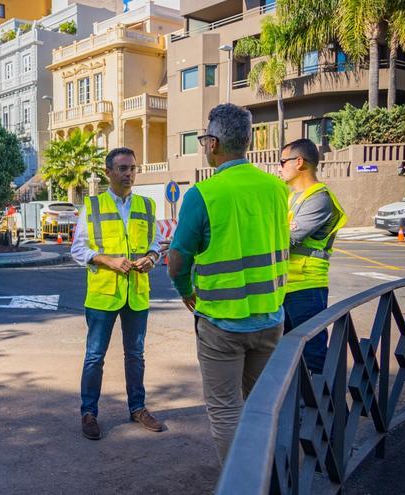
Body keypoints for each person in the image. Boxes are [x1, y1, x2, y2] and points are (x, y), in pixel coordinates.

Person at [167, 104, 290, 463]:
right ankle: (269, 474)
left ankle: (239, 483)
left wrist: (185, 292)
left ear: (214, 143)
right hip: (270, 318)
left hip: (221, 323)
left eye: (205, 138)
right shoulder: (275, 188)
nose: (204, 145)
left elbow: (177, 261)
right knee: (263, 406)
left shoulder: (203, 194)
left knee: (225, 410)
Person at [70, 147, 166, 440]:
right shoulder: (93, 206)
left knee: (135, 355)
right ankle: (89, 413)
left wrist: (151, 258)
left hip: (136, 293)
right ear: (108, 172)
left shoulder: (147, 206)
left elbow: (156, 243)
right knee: (94, 357)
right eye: (123, 168)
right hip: (103, 295)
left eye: (133, 168)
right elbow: (77, 249)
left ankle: (137, 409)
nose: (129, 174)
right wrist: (108, 260)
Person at [279, 139, 347, 374]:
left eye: (282, 162)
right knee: (286, 356)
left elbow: (287, 238)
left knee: (312, 355)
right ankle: (295, 407)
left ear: (299, 162)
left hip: (307, 288)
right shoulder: (291, 197)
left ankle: (320, 406)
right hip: (285, 286)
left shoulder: (320, 198)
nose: (279, 168)